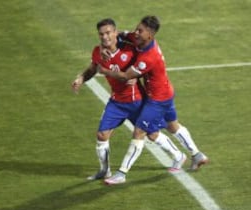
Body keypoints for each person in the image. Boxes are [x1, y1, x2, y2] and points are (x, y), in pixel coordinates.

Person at [97, 16, 209, 185]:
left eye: (140, 31)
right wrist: (102, 47)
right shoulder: (138, 38)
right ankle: (197, 155)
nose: (136, 32)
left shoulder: (149, 57)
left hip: (158, 99)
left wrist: (104, 70)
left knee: (139, 132)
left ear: (150, 35)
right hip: (167, 91)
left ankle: (121, 173)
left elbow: (126, 76)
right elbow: (117, 34)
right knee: (173, 126)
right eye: (137, 28)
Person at [72, 18, 186, 181]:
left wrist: (132, 77)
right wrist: (81, 79)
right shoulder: (98, 51)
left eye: (108, 33)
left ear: (115, 32)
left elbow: (143, 67)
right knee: (102, 135)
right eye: (101, 34)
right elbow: (92, 68)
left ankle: (178, 155)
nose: (105, 37)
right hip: (117, 102)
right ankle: (105, 171)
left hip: (137, 101)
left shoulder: (131, 50)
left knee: (152, 134)